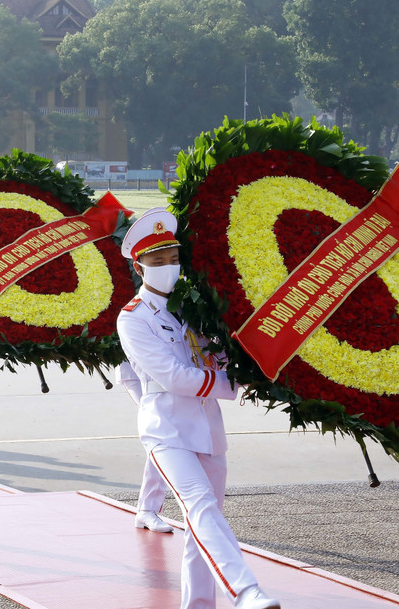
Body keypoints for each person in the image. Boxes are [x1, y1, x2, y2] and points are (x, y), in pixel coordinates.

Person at [116, 208, 280, 609]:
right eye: (158, 261)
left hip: (208, 428)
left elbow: (216, 356)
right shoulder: (133, 318)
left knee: (202, 526)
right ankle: (246, 591)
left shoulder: (192, 306)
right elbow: (174, 376)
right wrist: (231, 385)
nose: (168, 268)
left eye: (173, 259)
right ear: (139, 267)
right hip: (167, 429)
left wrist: (251, 371)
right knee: (201, 507)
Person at [116, 360, 173, 533]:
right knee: (161, 434)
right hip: (138, 372)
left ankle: (147, 509)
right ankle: (147, 509)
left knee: (165, 434)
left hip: (165, 374)